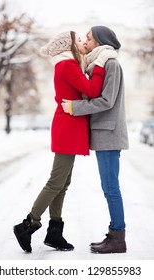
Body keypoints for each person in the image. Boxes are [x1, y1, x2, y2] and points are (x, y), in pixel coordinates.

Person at [13, 31, 117, 253]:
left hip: (69, 128)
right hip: (68, 129)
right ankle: (27, 225)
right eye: (78, 40)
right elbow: (92, 90)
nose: (82, 42)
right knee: (55, 182)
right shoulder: (67, 66)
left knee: (63, 183)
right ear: (68, 45)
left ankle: (54, 232)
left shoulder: (69, 65)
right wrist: (99, 64)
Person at [62, 26, 129, 254]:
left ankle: (118, 238)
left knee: (111, 188)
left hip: (109, 134)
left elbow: (107, 101)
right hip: (104, 132)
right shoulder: (98, 64)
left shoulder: (111, 64)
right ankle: (114, 234)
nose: (86, 42)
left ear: (99, 41)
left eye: (89, 38)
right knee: (109, 187)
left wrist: (74, 107)